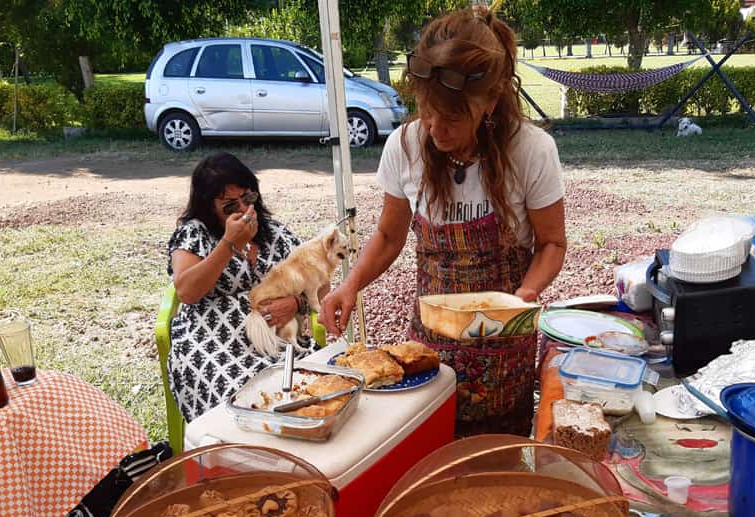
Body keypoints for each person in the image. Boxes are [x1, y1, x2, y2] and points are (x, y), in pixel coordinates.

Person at [321, 6, 567, 436]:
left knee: (494, 460)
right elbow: (387, 235)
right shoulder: (405, 145)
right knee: (431, 450)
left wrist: (525, 294)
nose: (435, 129)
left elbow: (552, 244)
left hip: (502, 343)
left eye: (453, 118)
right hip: (431, 341)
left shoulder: (531, 150)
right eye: (427, 111)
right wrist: (349, 285)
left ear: (489, 103)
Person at [166, 152, 317, 422]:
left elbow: (319, 282)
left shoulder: (276, 233)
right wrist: (228, 245)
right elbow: (186, 291)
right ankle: (239, 458)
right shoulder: (195, 233)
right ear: (208, 207)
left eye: (248, 198)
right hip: (211, 343)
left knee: (310, 388)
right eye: (229, 206)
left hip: (278, 340)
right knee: (242, 401)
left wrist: (297, 304)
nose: (244, 210)